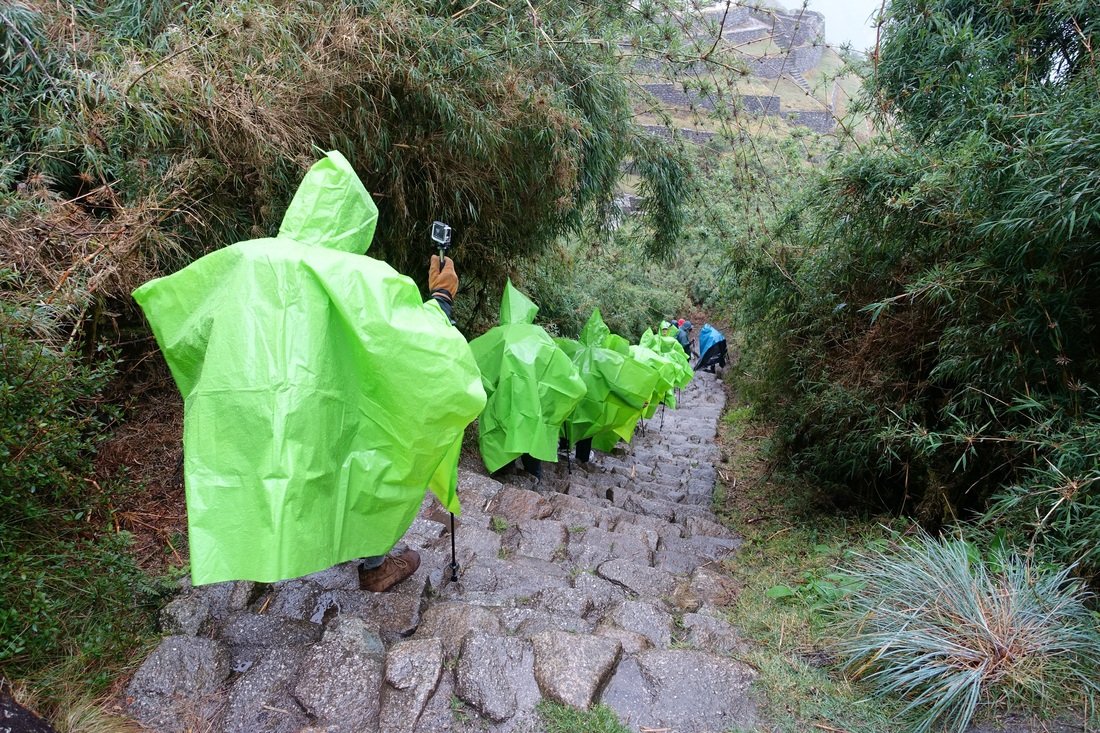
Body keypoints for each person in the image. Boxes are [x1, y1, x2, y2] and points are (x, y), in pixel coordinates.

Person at [358, 254, 460, 591]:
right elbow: (416, 344)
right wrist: (442, 298)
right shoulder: (357, 278)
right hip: (367, 414)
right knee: (377, 464)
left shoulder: (257, 263)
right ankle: (374, 565)